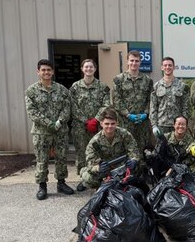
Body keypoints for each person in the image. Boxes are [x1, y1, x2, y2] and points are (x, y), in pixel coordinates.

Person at [25, 59, 74, 200]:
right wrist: (49, 123)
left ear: (53, 71)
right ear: (38, 72)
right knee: (42, 159)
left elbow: (67, 108)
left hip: (60, 130)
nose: (46, 72)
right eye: (43, 70)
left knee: (61, 157)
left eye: (49, 70)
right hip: (41, 132)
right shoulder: (31, 91)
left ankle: (61, 183)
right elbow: (32, 112)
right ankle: (42, 186)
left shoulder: (62, 89)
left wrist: (59, 122)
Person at [69, 59, 111, 191]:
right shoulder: (75, 87)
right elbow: (72, 106)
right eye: (86, 67)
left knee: (99, 152)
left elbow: (106, 104)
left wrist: (96, 119)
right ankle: (84, 179)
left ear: (95, 69)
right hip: (80, 126)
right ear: (82, 69)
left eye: (91, 67)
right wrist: (85, 121)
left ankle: (100, 178)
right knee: (82, 152)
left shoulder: (103, 87)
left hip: (98, 126)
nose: (88, 69)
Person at [80, 108, 140, 189]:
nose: (110, 126)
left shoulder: (125, 135)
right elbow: (90, 163)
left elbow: (134, 151)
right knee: (88, 178)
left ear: (117, 123)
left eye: (112, 123)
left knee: (138, 167)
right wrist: (98, 168)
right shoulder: (94, 142)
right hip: (105, 170)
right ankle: (103, 186)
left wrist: (133, 160)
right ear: (101, 124)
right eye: (107, 124)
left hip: (122, 167)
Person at [112, 50, 153, 153]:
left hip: (142, 123)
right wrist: (128, 115)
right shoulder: (118, 79)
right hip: (125, 122)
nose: (134, 63)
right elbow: (117, 100)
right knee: (125, 150)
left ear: (140, 62)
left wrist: (145, 113)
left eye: (136, 61)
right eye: (132, 60)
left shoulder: (147, 80)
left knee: (143, 151)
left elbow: (151, 99)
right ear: (127, 61)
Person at [150, 56, 190, 138]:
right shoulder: (156, 86)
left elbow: (186, 106)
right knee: (162, 150)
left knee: (176, 150)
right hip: (161, 125)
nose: (167, 67)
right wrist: (154, 125)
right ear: (162, 67)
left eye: (170, 65)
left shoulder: (182, 86)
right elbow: (153, 107)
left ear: (174, 67)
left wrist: (183, 123)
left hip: (177, 126)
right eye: (165, 65)